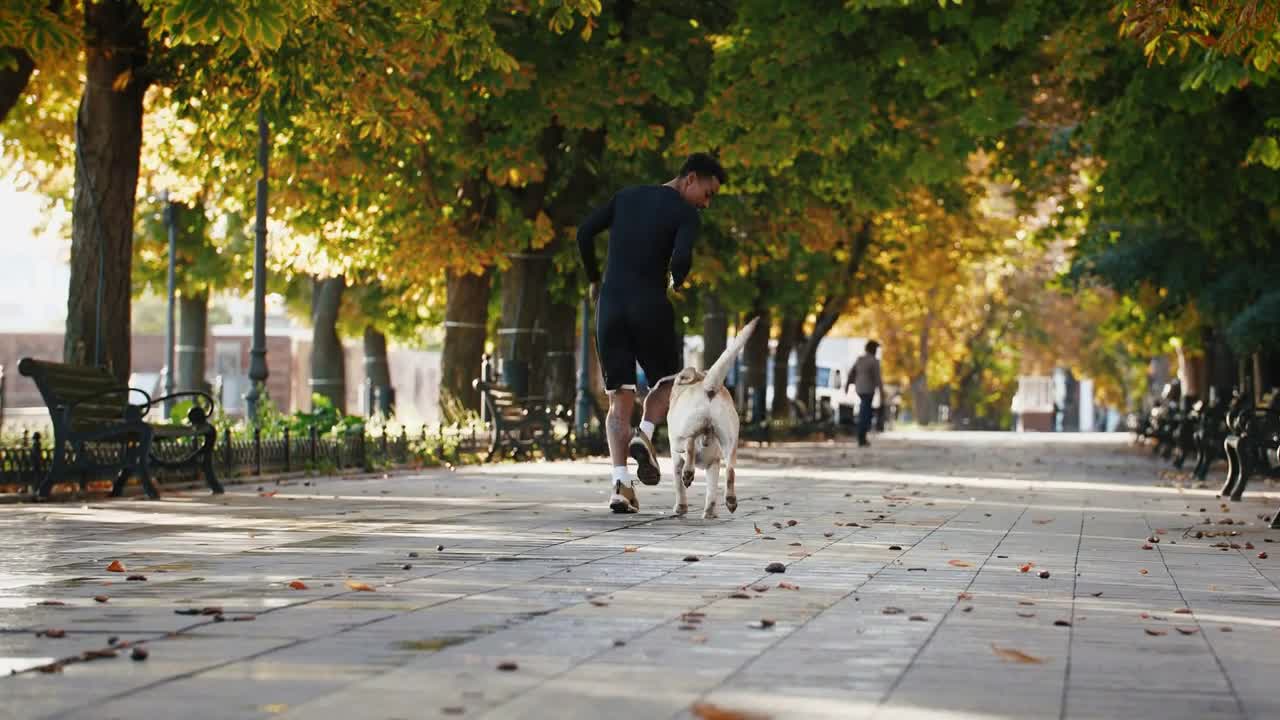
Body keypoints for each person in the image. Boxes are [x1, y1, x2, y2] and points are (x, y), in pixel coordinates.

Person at [576, 153, 726, 513]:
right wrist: (677, 281)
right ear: (690, 179)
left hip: (610, 307)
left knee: (619, 398)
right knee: (668, 382)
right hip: (649, 305)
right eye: (707, 193)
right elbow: (681, 258)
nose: (706, 203)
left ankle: (620, 486)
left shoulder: (625, 197)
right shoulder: (684, 213)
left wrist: (595, 278)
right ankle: (643, 432)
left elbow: (584, 232)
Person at [846, 340, 885, 448]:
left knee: (865, 410)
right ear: (873, 349)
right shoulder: (874, 361)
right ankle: (861, 436)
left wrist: (847, 385)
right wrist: (882, 392)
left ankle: (862, 435)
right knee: (866, 412)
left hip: (859, 389)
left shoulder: (860, 359)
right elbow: (878, 378)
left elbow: (851, 373)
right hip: (868, 390)